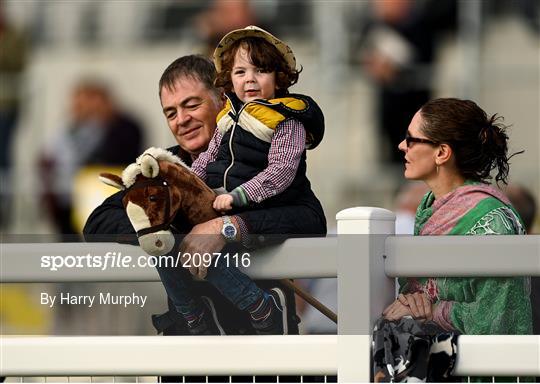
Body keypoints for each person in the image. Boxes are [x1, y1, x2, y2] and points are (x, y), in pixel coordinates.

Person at [83, 55, 326, 335]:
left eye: (191, 105)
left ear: (223, 101)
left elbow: (310, 218)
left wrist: (226, 228)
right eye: (171, 113)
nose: (182, 120)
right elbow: (98, 222)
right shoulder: (163, 168)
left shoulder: (264, 158)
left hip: (260, 345)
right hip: (189, 345)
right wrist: (170, 230)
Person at [163, 26, 325, 336]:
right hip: (197, 358)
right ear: (229, 83)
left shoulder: (286, 120)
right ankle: (193, 317)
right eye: (240, 71)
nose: (249, 78)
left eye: (192, 105)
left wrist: (234, 209)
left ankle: (260, 308)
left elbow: (282, 175)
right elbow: (205, 163)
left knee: (204, 246)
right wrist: (180, 195)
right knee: (164, 240)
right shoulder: (168, 162)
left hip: (251, 212)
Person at [378, 98, 531, 381]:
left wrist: (431, 311)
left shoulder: (492, 220)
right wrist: (415, 302)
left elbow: (497, 318)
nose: (402, 145)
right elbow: (420, 295)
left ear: (442, 153)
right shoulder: (430, 208)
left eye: (411, 139)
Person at [40, 80, 144, 236]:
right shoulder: (73, 128)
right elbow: (51, 154)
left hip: (106, 194)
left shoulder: (123, 126)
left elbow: (119, 157)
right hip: (71, 195)